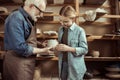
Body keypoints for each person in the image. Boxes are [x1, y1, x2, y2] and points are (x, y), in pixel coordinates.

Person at [3, 0, 53, 80]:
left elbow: (26, 40)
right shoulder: (16, 18)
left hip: (26, 64)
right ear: (32, 6)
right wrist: (42, 51)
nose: (41, 15)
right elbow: (19, 47)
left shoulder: (28, 18)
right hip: (17, 64)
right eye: (40, 11)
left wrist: (40, 44)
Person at [55, 5, 88, 80]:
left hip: (75, 66)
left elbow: (85, 50)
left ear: (73, 19)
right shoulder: (60, 30)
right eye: (60, 20)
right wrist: (56, 46)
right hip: (63, 63)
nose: (62, 24)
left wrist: (69, 48)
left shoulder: (80, 31)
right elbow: (61, 44)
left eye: (65, 21)